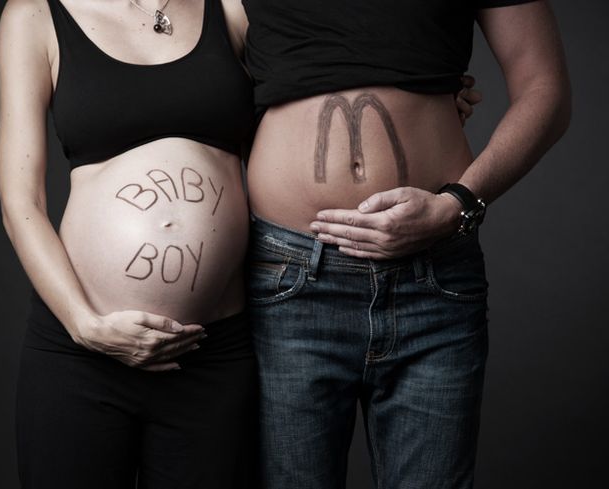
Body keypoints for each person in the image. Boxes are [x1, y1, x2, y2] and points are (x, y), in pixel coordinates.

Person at [241, 1, 571, 488]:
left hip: (432, 278)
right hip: (289, 280)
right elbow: (206, 89)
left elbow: (546, 89)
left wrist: (456, 204)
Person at [0, 0, 258, 487]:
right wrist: (83, 324)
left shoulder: (231, 8)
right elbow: (21, 201)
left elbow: (301, 95)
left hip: (212, 354)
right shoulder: (33, 14)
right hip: (83, 356)